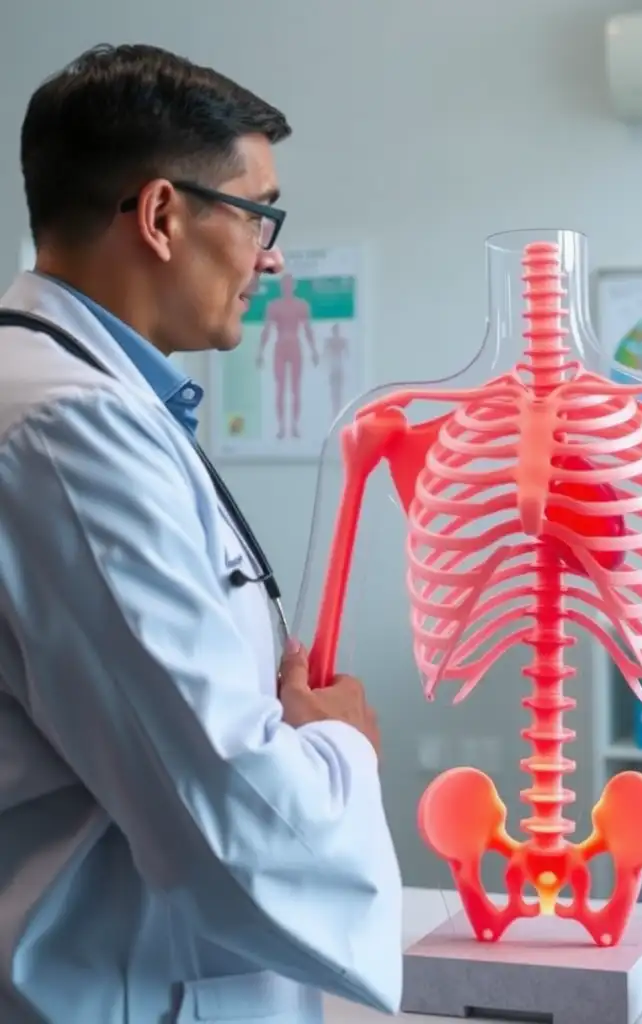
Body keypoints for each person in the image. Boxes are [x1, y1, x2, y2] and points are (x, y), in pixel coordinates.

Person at [0, 44, 401, 1024]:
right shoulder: (64, 429)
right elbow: (229, 810)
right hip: (111, 986)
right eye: (260, 216)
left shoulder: (77, 401)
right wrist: (343, 748)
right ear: (162, 214)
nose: (271, 257)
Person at [257, 271, 318, 439]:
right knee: (281, 388)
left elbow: (307, 329)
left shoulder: (301, 305)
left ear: (294, 286)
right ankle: (282, 427)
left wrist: (313, 350)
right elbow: (267, 329)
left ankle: (295, 426)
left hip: (295, 346)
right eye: (285, 284)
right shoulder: (274, 305)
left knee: (295, 388)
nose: (287, 287)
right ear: (281, 286)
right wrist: (260, 352)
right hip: (280, 346)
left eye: (290, 284)